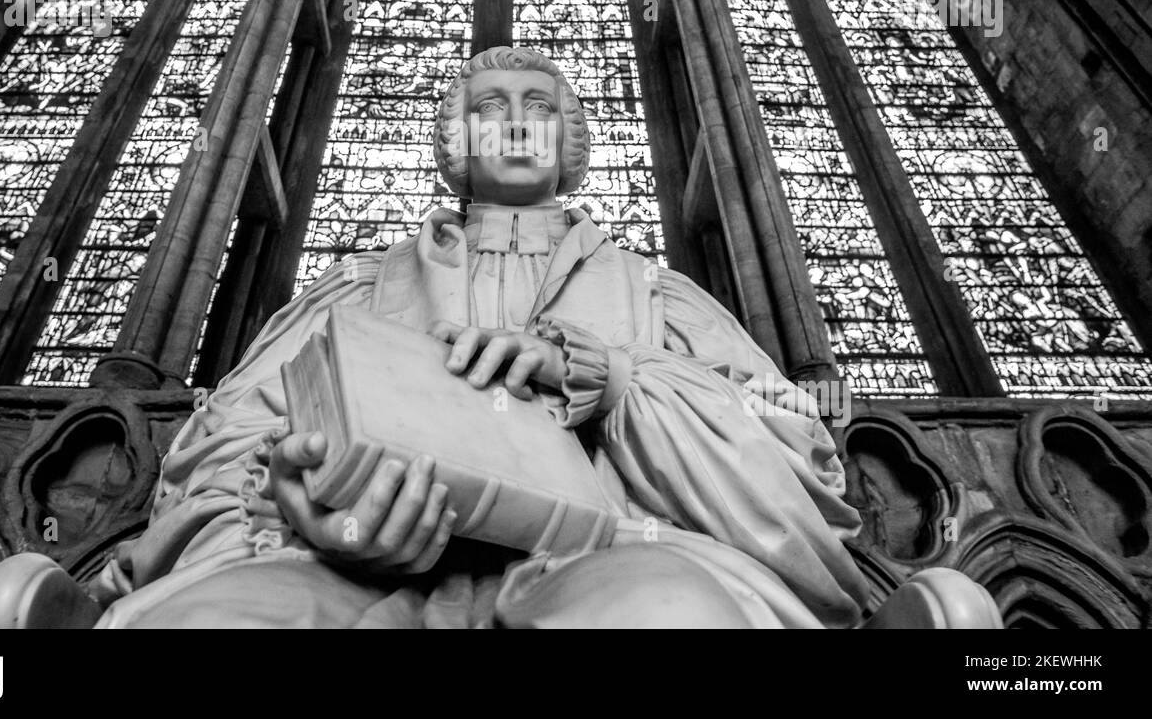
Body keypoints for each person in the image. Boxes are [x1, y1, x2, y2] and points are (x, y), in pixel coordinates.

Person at [91, 46, 870, 628]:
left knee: (666, 613)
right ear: (454, 142)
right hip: (351, 576)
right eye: (491, 106)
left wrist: (611, 378)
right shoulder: (360, 289)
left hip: (615, 556)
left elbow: (794, 452)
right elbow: (221, 445)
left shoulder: (655, 295)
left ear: (571, 141)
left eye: (540, 104)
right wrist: (299, 505)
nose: (518, 120)